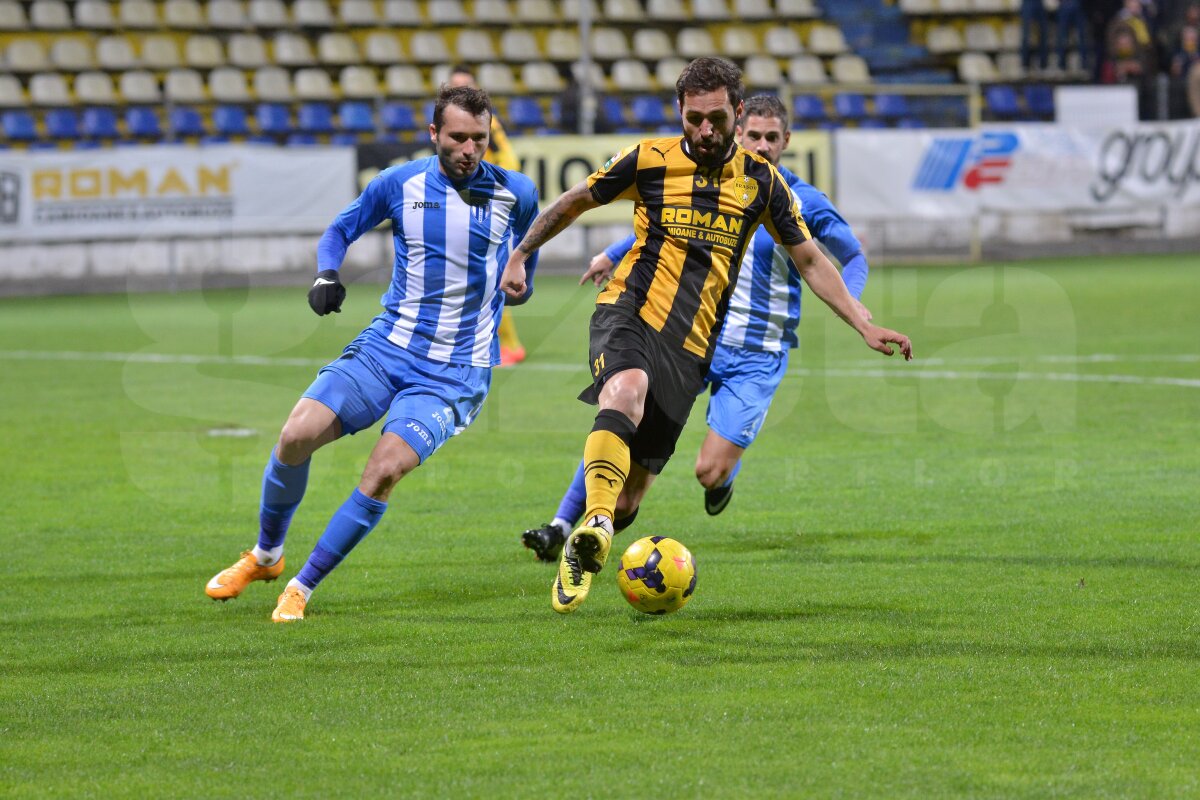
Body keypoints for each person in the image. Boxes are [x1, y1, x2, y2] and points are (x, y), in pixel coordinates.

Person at [500, 58, 912, 614]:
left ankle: (597, 532)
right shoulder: (648, 159)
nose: (705, 131)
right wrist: (523, 254)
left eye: (716, 118)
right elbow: (575, 200)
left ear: (735, 113)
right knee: (625, 389)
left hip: (693, 347)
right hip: (629, 310)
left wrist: (863, 321)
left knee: (631, 496)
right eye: (694, 119)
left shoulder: (763, 183)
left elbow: (813, 260)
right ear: (681, 113)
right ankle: (584, 523)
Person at [204, 84, 540, 622]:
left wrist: (522, 282)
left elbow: (526, 256)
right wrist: (325, 273)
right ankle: (266, 555)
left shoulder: (516, 193)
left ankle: (302, 585)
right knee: (294, 436)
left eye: (479, 138)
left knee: (383, 470)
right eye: (458, 137)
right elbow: (340, 229)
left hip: (454, 374)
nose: (469, 149)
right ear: (434, 135)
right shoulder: (399, 183)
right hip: (387, 348)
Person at [448, 64, 528, 367]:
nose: (460, 93)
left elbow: (509, 161)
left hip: (483, 203)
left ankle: (508, 344)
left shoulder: (488, 126)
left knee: (489, 276)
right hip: (465, 204)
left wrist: (493, 191)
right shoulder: (450, 125)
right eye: (455, 88)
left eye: (465, 87)